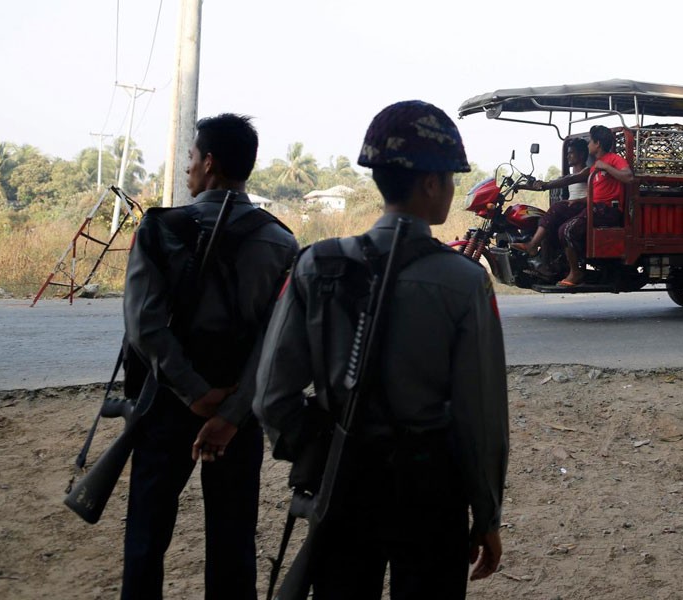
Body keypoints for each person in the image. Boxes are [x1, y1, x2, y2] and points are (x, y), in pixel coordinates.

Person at [253, 100, 509, 599]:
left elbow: (269, 396)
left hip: (343, 480)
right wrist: (487, 511)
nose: (453, 189)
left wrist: (317, 448)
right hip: (432, 490)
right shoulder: (464, 282)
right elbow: (481, 417)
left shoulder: (315, 265)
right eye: (452, 178)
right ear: (430, 183)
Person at [122, 113, 299, 599]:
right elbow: (278, 339)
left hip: (165, 406)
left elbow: (144, 327)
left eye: (192, 157)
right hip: (238, 416)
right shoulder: (283, 242)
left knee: (146, 538)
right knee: (233, 538)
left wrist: (195, 394)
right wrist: (231, 411)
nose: (187, 168)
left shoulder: (160, 229)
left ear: (210, 163)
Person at [558, 125, 633, 286]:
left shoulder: (613, 159)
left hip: (607, 210)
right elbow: (593, 193)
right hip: (595, 208)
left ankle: (576, 272)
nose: (588, 145)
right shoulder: (595, 165)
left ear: (597, 143)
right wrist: (577, 201)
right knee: (563, 225)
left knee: (567, 230)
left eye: (590, 141)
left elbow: (628, 177)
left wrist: (606, 167)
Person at [510, 138, 591, 263]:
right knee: (541, 220)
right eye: (567, 153)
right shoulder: (570, 175)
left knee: (556, 208)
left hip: (581, 207)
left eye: (571, 153)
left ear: (581, 155)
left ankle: (532, 245)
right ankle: (545, 266)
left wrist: (545, 185)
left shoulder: (587, 171)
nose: (568, 156)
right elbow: (554, 183)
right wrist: (520, 186)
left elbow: (567, 181)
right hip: (571, 207)